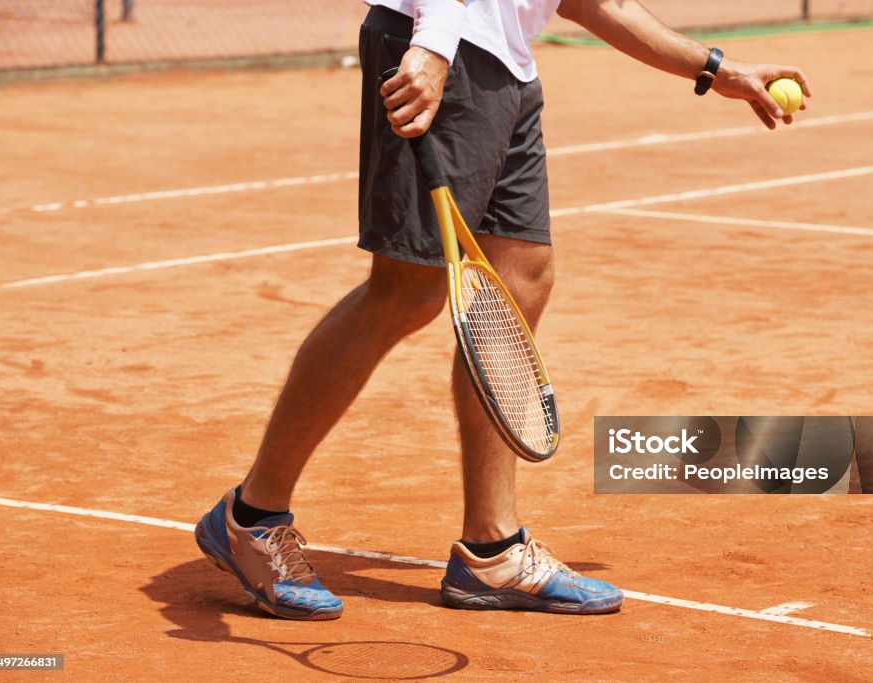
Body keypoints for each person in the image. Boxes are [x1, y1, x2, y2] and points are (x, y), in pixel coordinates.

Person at [195, 0, 812, 620]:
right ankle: (252, 517)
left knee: (521, 279)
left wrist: (713, 67)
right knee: (406, 292)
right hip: (437, 49)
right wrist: (434, 46)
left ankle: (492, 552)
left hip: (506, 67)